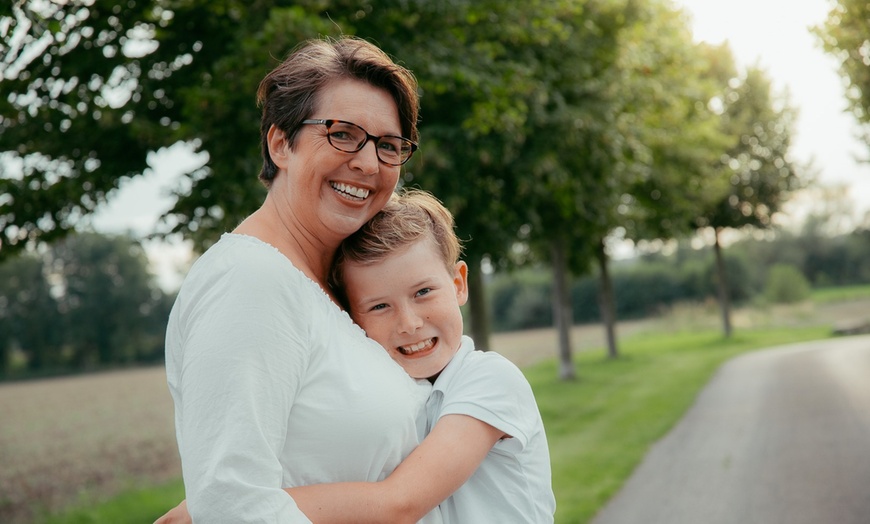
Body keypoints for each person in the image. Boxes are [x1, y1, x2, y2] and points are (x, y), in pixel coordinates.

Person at [161, 36, 441, 523]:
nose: (369, 163)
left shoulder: (339, 287)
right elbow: (235, 504)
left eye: (389, 146)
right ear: (280, 143)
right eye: (342, 133)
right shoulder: (250, 282)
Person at [284, 189, 556, 522]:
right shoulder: (388, 394)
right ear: (353, 320)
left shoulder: (491, 378)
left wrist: (240, 506)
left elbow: (400, 503)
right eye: (380, 306)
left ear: (458, 283)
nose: (409, 324)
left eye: (423, 292)